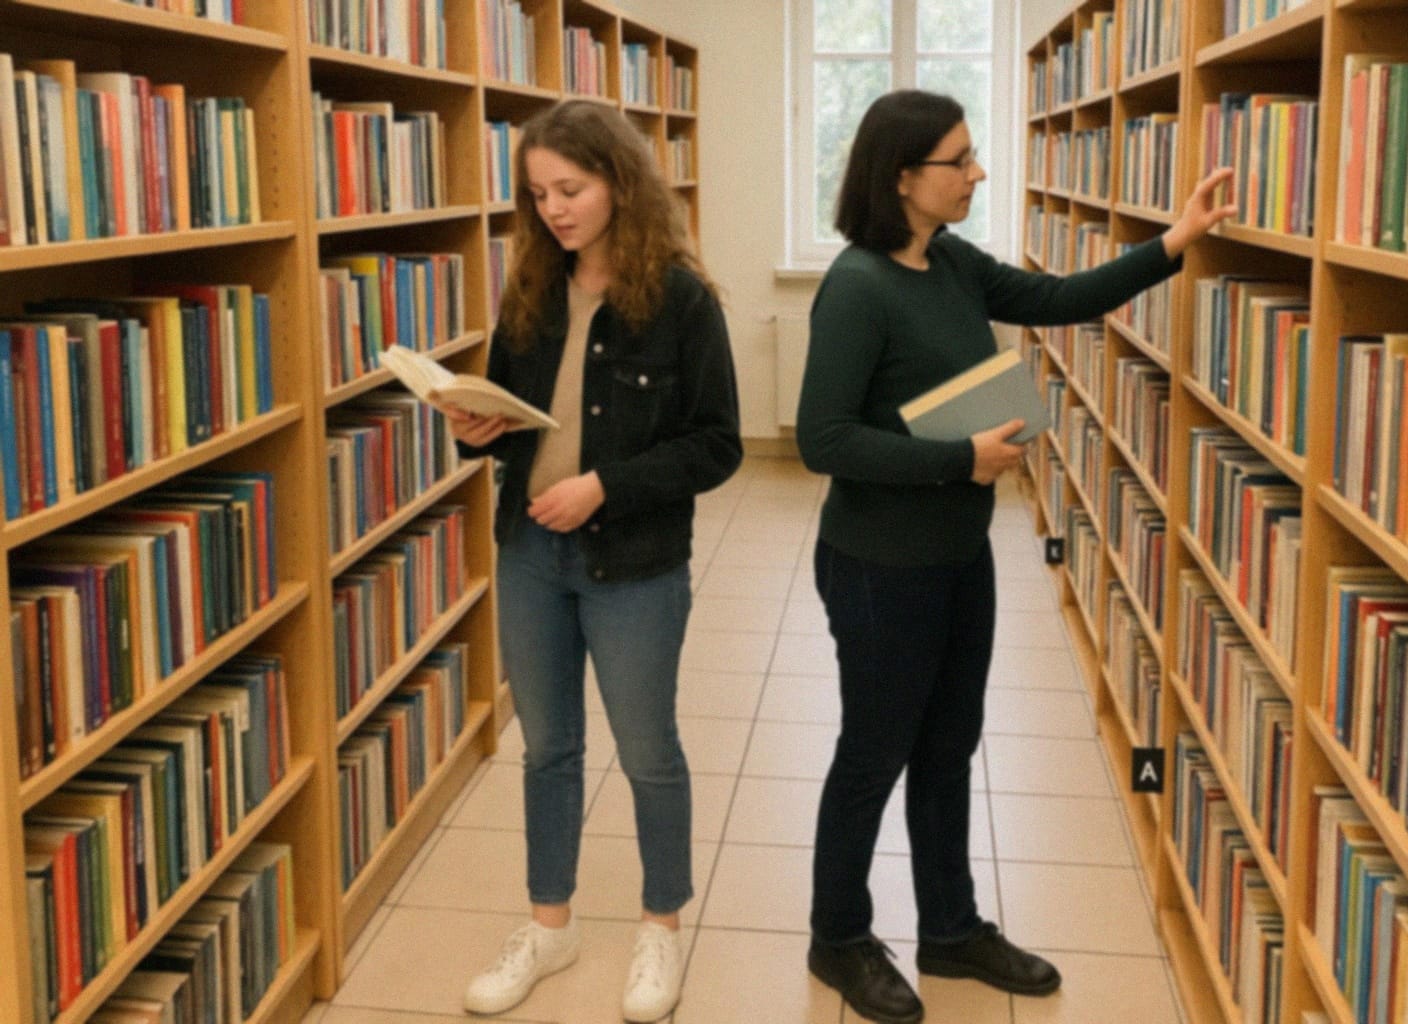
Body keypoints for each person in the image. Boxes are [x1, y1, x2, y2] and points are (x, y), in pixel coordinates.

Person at [796, 89, 1235, 1024]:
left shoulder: (950, 262)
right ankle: (838, 935)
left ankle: (950, 929)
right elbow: (822, 440)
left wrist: (1174, 241)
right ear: (904, 176)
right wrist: (962, 459)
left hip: (961, 554)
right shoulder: (859, 285)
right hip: (879, 565)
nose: (978, 173)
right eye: (960, 160)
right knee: (875, 752)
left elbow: (1056, 298)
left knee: (949, 745)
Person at [449, 100, 742, 1022]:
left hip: (634, 561)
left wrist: (606, 485)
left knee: (648, 751)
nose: (554, 211)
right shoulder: (531, 291)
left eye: (570, 189)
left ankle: (660, 926)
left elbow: (718, 446)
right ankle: (550, 924)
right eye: (538, 195)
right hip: (531, 549)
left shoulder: (682, 301)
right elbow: (514, 427)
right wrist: (474, 429)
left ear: (620, 181)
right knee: (548, 751)